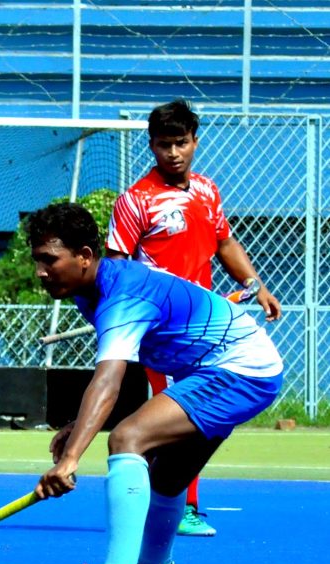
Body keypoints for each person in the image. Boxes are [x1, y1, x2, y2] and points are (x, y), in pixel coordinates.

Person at [29, 202, 283, 564]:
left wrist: (71, 458)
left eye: (49, 259)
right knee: (168, 474)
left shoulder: (121, 295)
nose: (40, 271)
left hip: (239, 370)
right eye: (37, 260)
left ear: (85, 257)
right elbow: (124, 372)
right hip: (221, 369)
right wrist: (78, 425)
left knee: (128, 439)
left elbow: (108, 382)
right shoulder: (93, 291)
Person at [106, 99, 282, 537]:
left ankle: (181, 504)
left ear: (195, 142)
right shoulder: (135, 202)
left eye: (181, 143)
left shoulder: (206, 191)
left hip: (209, 333)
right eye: (164, 145)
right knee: (163, 422)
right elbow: (115, 267)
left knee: (197, 418)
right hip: (162, 336)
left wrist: (255, 284)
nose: (174, 153)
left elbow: (224, 244)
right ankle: (164, 506)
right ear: (152, 146)